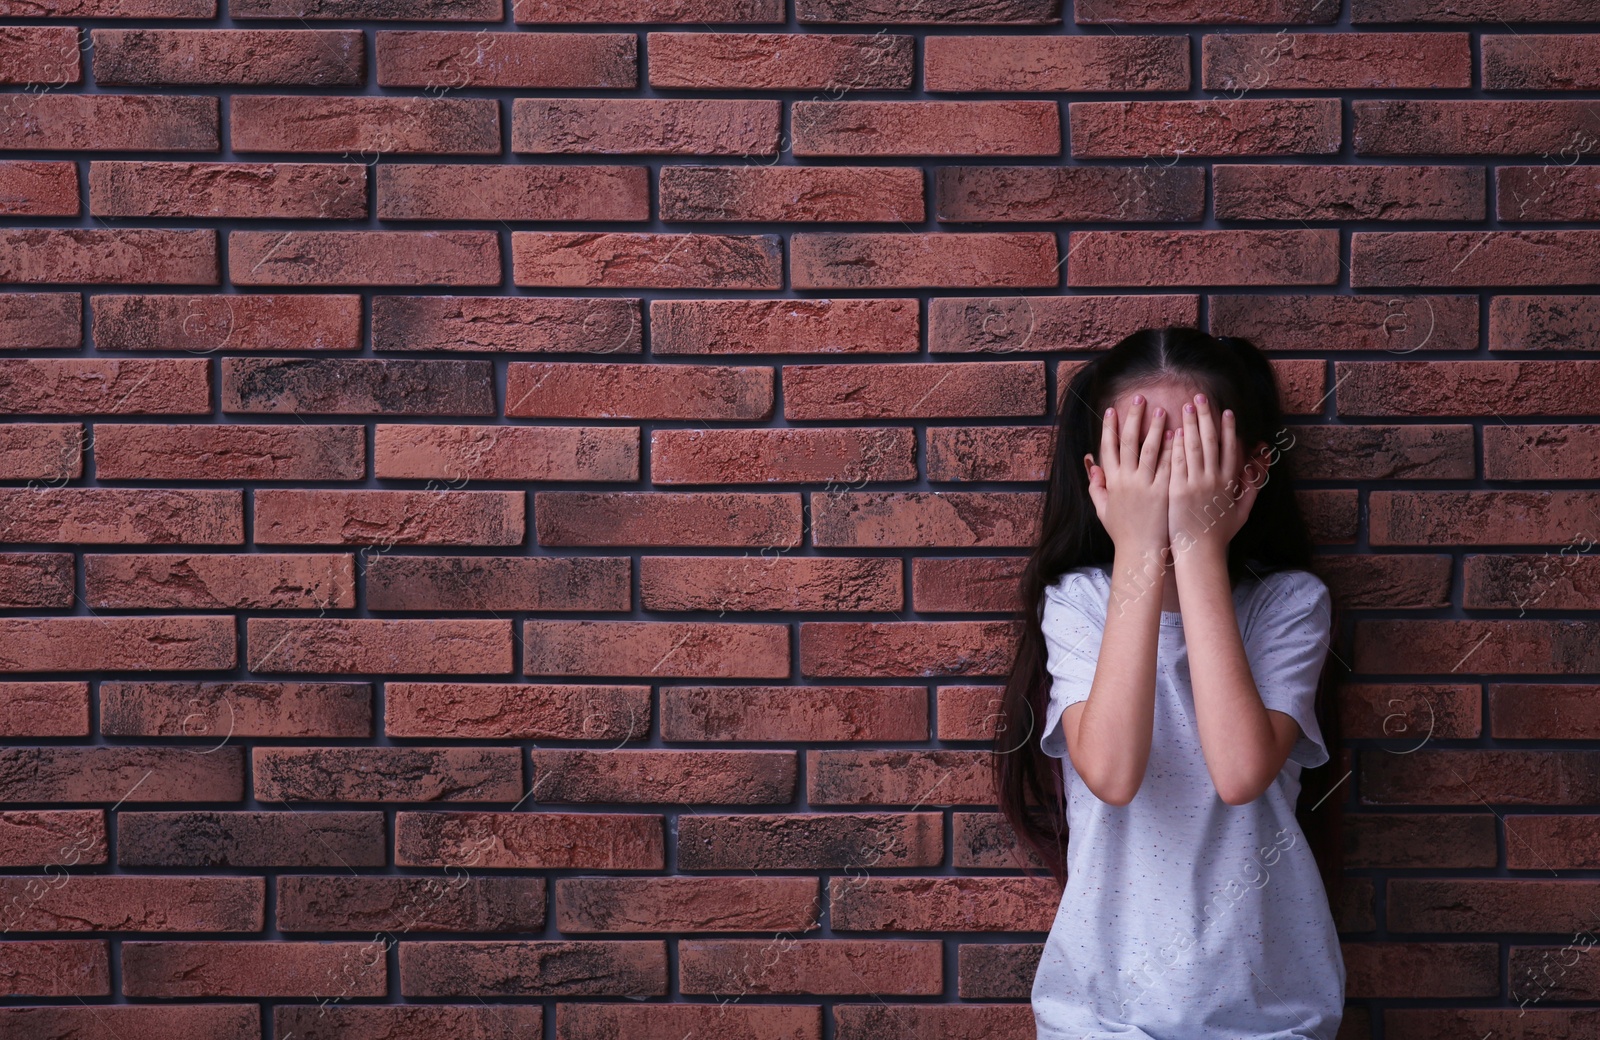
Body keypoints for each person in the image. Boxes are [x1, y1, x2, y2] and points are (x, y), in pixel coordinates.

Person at [991, 326, 1345, 1038]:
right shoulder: (1081, 603)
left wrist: (1196, 544)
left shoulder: (1288, 604)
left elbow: (1241, 770)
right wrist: (1139, 551)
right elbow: (1112, 774)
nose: (1168, 480)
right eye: (1144, 458)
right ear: (1102, 477)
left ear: (1246, 470)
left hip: (1268, 1010)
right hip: (1099, 1011)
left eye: (1188, 457)